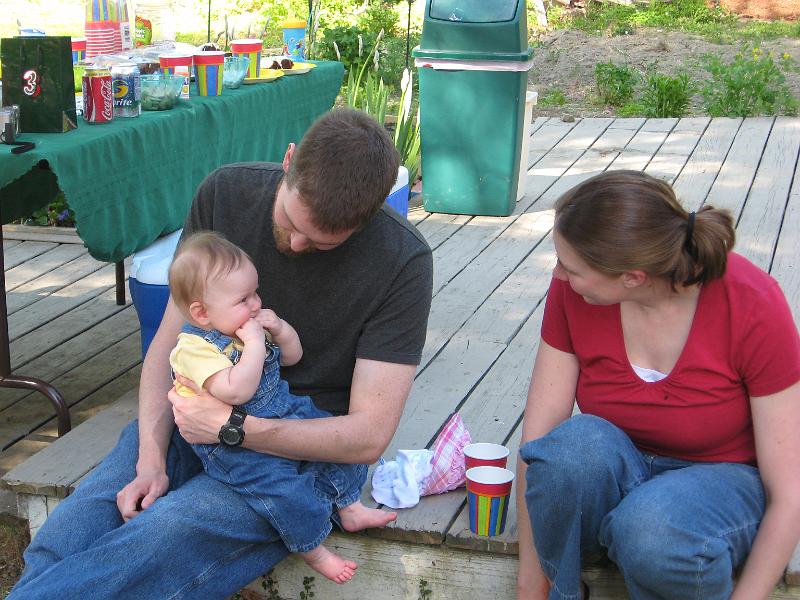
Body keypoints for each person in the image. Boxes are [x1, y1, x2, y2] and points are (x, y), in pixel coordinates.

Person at [9, 108, 433, 599]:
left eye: (322, 244)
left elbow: (366, 437)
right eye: (294, 222)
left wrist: (234, 429)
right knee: (73, 531)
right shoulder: (225, 195)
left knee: (155, 543)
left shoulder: (403, 261)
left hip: (296, 457)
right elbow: (167, 345)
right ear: (288, 160)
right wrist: (150, 457)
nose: (296, 245)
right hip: (192, 418)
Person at [515, 170, 800, 600]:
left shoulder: (751, 302)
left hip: (723, 484)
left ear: (632, 276)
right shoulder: (576, 293)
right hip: (623, 471)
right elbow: (536, 444)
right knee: (566, 453)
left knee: (649, 528)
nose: (557, 275)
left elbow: (791, 493)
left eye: (570, 268)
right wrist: (529, 585)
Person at [167, 231, 398, 584]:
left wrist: (281, 329)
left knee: (337, 443)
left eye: (255, 293)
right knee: (284, 492)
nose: (256, 304)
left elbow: (293, 356)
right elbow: (236, 391)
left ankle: (349, 506)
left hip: (285, 410)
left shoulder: (246, 325)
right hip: (233, 449)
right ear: (201, 312)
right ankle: (313, 550)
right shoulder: (193, 349)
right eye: (243, 299)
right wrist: (256, 344)